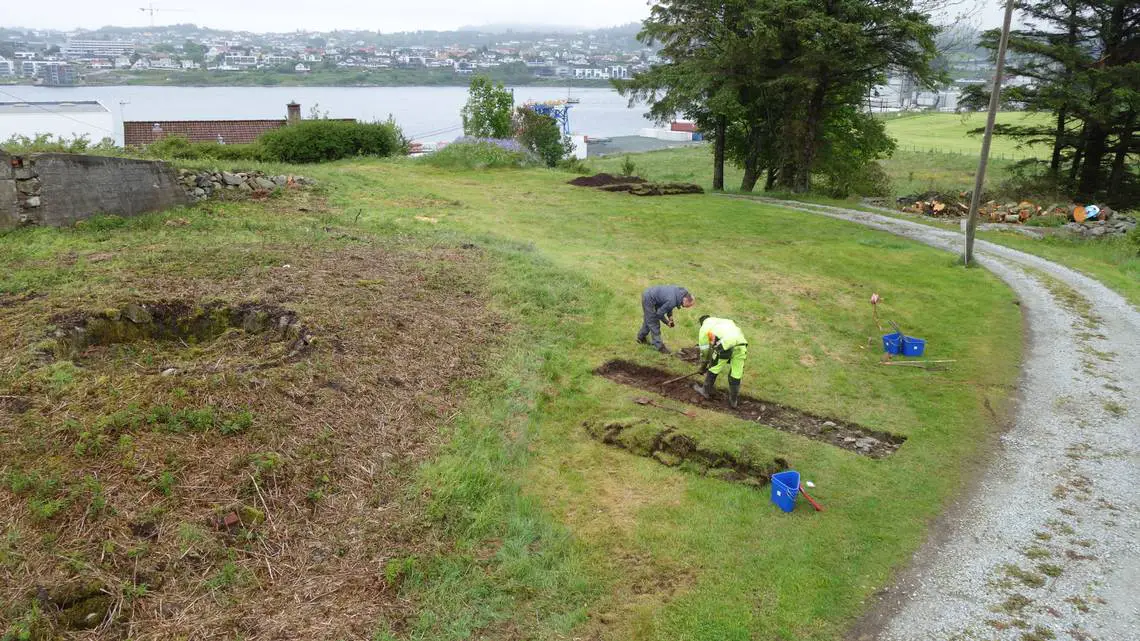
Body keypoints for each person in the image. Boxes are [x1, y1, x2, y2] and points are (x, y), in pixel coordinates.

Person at [693, 315, 747, 408]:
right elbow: (713, 343)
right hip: (741, 345)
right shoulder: (725, 321)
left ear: (702, 323)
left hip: (725, 345)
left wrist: (704, 366)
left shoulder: (704, 327)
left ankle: (705, 391)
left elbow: (705, 350)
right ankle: (733, 401)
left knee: (715, 367)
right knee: (736, 373)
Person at [636, 285, 694, 353]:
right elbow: (659, 314)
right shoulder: (672, 300)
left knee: (649, 319)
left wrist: (670, 317)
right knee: (653, 322)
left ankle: (640, 338)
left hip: (655, 297)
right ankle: (660, 347)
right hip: (649, 298)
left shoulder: (679, 293)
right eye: (688, 305)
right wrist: (666, 322)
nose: (687, 307)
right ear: (685, 299)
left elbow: (668, 305)